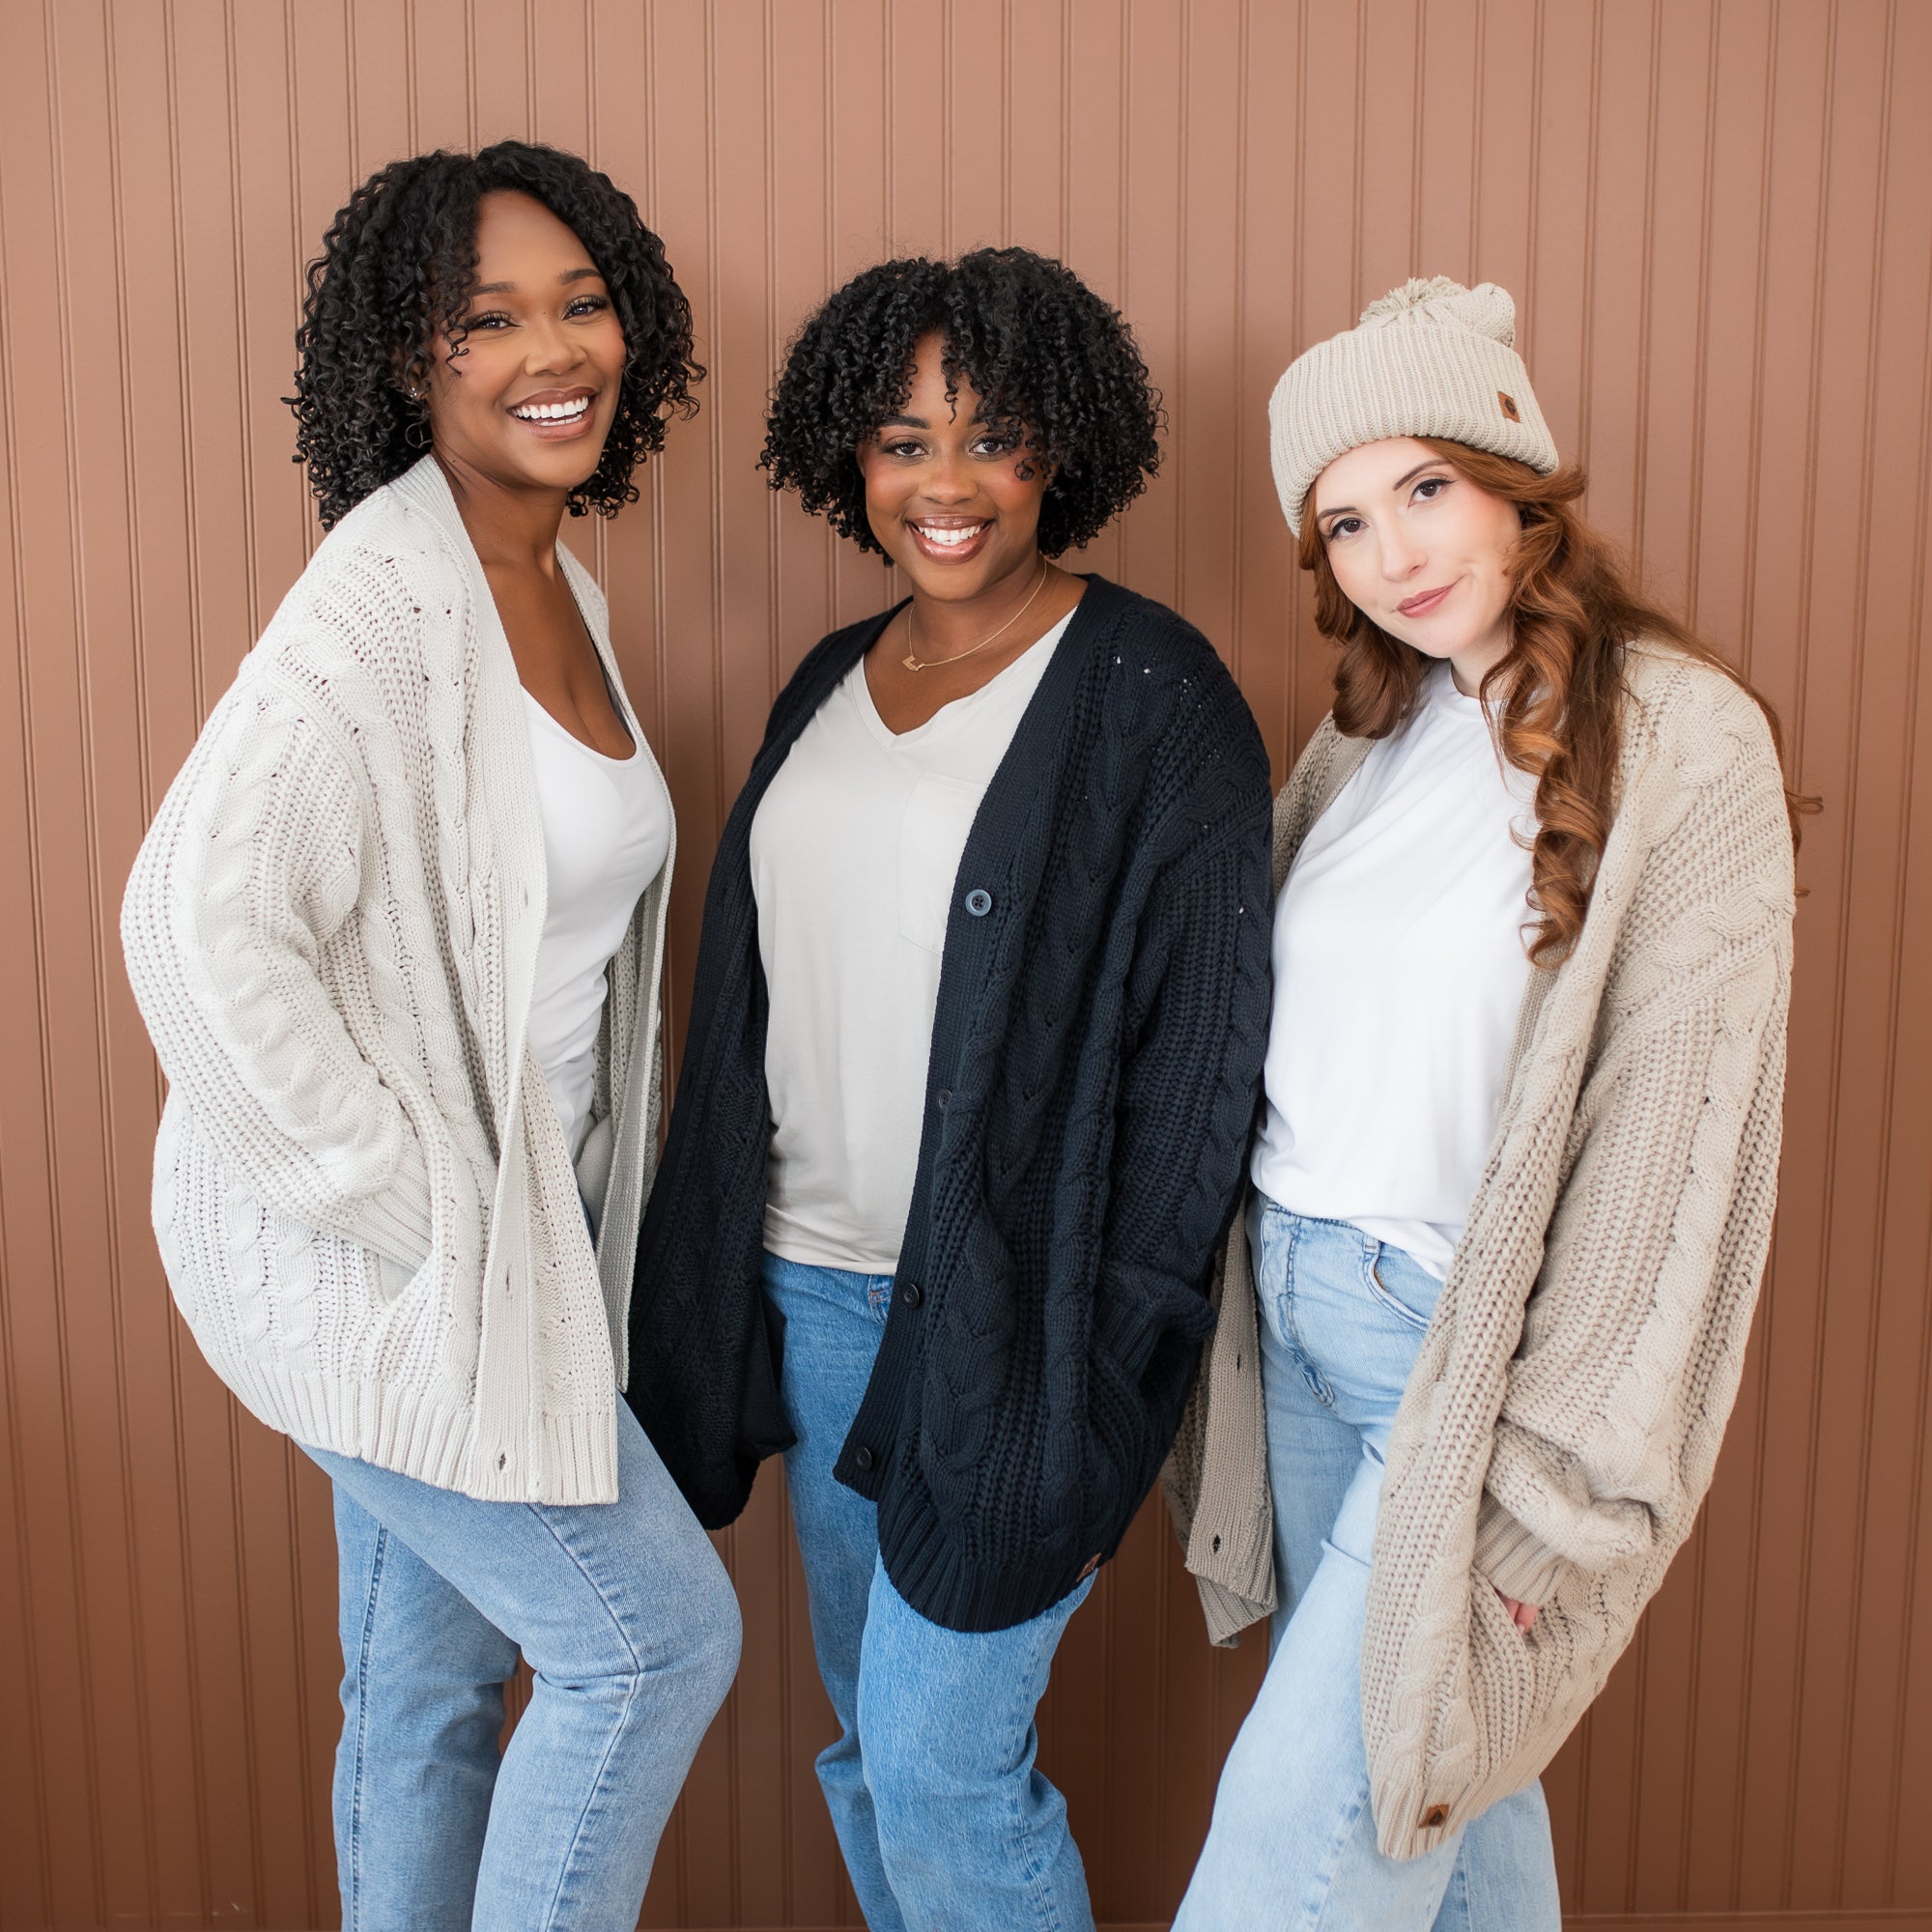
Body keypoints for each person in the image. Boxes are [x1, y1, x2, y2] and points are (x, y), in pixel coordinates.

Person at [120, 141, 738, 1931]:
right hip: (384, 1266)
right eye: (490, 320)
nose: (556, 351)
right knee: (651, 1649)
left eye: (582, 304)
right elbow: (191, 923)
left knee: (423, 1692)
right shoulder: (377, 607)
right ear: (413, 363)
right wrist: (409, 1205)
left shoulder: (565, 591)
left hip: (504, 1261)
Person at [624, 247, 1273, 1931]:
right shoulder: (825, 683)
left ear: (1064, 452)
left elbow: (1205, 1071)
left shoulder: (1156, 699)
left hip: (1011, 1324)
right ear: (851, 457)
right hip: (805, 1294)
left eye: (992, 437)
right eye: (904, 440)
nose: (946, 484)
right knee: (868, 1746)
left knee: (937, 1758)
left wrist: (1110, 1351)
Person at [1164, 277, 1808, 1929]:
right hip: (1300, 1314)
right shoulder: (1363, 739)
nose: (1399, 554)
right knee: (1455, 1809)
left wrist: (1552, 1485)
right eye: (1349, 524)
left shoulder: (1685, 743)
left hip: (1458, 1359)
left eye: (1428, 489)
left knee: (1297, 1850)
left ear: (1518, 476)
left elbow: (1676, 1155)